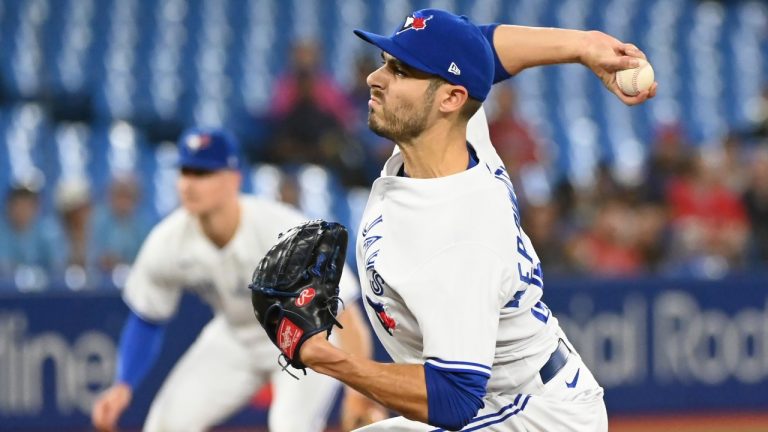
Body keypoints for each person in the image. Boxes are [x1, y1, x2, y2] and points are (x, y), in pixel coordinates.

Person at [292, 9, 656, 431]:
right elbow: (479, 48)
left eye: (400, 70)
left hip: (532, 416)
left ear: (450, 98)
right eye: (384, 62)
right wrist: (583, 46)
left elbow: (453, 398)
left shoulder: (461, 236)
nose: (376, 78)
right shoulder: (449, 133)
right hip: (504, 396)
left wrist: (331, 361)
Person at [91, 127, 380, 432]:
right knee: (164, 425)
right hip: (236, 336)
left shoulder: (281, 230)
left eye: (203, 173)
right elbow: (147, 318)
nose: (189, 183)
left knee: (290, 426)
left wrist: (358, 392)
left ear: (233, 179)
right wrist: (123, 384)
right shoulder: (168, 241)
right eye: (185, 172)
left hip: (303, 338)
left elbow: (345, 312)